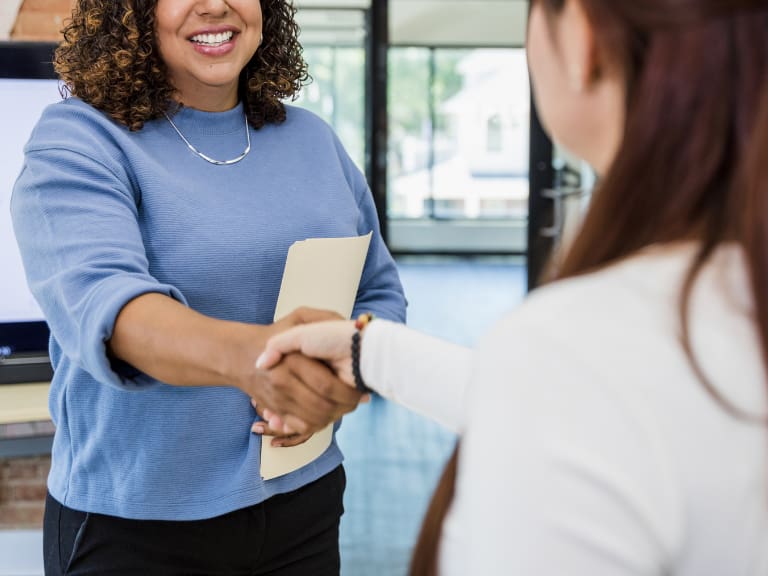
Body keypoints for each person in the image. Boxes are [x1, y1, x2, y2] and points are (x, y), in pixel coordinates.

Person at [256, 0, 768, 574]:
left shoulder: (571, 343)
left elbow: (577, 399)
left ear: (579, 37)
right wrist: (368, 351)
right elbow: (596, 414)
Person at [10, 0, 406, 574]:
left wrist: (344, 371)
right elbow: (113, 310)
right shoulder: (78, 139)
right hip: (136, 526)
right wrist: (263, 360)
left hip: (306, 501)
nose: (215, 4)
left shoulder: (314, 141)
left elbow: (378, 294)